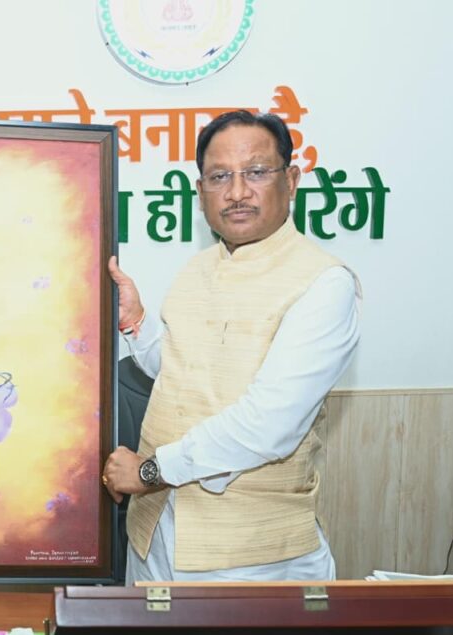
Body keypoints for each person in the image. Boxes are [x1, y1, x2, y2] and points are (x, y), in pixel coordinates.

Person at [103, 110, 361, 582]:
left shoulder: (324, 283)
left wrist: (148, 472)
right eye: (220, 177)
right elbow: (183, 375)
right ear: (200, 191)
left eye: (256, 172)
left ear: (292, 180)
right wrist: (135, 322)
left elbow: (268, 425)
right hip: (155, 535)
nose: (237, 192)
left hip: (251, 560)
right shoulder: (197, 269)